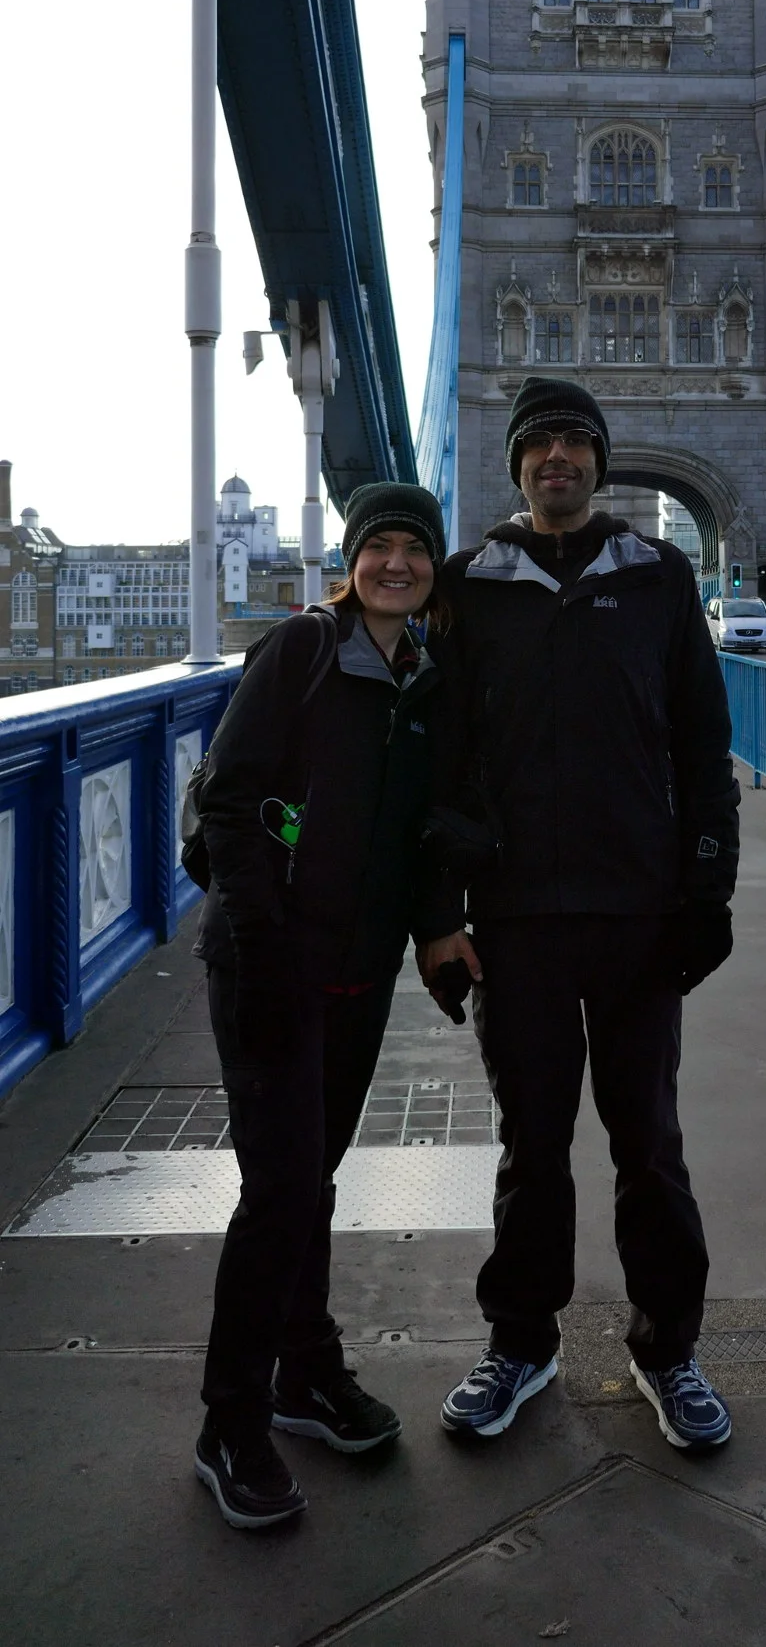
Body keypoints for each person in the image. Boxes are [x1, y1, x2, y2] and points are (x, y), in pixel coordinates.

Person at [418, 375, 740, 1452]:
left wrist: (708, 890)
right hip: (517, 918)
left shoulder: (659, 574)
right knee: (532, 1141)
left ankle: (669, 1349)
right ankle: (522, 1341)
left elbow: (702, 747)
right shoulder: (467, 583)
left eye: (574, 442)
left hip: (640, 912)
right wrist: (437, 913)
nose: (556, 457)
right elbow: (436, 763)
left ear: (599, 462)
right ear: (514, 465)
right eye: (538, 443)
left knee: (648, 1143)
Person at [191, 484, 453, 1529]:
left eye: (414, 549)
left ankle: (306, 1375)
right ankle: (229, 1423)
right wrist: (262, 952)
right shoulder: (298, 653)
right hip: (270, 966)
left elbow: (425, 823)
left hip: (359, 968)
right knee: (281, 1188)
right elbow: (226, 796)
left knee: (313, 1178)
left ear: (434, 567)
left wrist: (437, 927)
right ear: (351, 562)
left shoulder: (424, 678)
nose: (397, 562)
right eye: (379, 547)